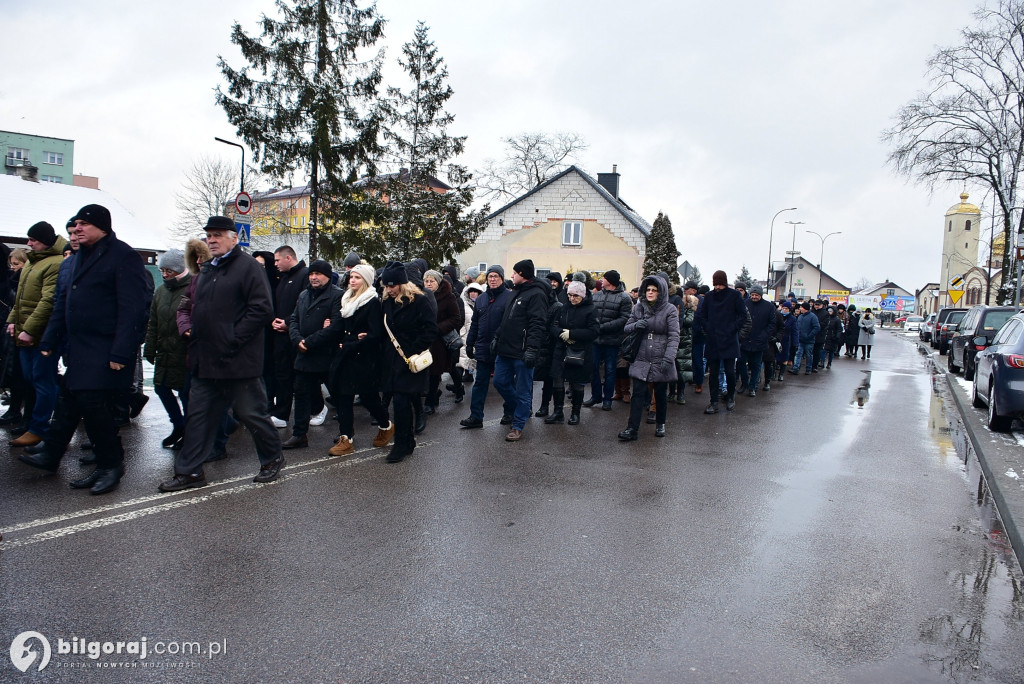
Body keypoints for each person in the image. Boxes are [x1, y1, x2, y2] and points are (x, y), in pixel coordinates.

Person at [20, 204, 152, 495]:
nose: (77, 228)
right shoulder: (80, 257)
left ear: (101, 226)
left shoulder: (124, 256)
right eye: (76, 224)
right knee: (70, 399)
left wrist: (121, 352)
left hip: (106, 348)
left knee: (92, 404)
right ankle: (54, 455)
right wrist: (49, 340)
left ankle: (111, 466)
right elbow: (63, 303)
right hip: (80, 347)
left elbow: (134, 309)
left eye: (83, 224)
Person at [158, 216, 284, 492]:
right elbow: (193, 307)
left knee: (252, 414)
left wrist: (231, 338)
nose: (212, 240)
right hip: (206, 361)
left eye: (218, 235)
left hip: (238, 361)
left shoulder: (248, 267)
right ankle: (190, 472)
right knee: (198, 416)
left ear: (234, 238)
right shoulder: (205, 270)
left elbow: (261, 309)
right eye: (209, 236)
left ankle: (272, 458)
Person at [7, 221, 68, 447]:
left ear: (45, 240)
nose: (29, 243)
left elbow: (48, 301)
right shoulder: (34, 261)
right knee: (32, 378)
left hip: (42, 335)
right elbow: (21, 299)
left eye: (33, 240)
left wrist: (30, 330)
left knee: (43, 381)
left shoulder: (54, 263)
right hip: (25, 333)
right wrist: (12, 322)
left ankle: (40, 428)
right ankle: (38, 424)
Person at [327, 263, 393, 456]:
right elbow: (342, 326)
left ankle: (386, 425)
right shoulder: (346, 299)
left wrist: (352, 343)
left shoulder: (372, 301)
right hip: (347, 356)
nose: (352, 280)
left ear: (365, 280)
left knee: (369, 397)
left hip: (365, 358)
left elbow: (373, 334)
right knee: (343, 396)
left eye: (357, 277)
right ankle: (346, 438)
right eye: (351, 277)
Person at [282, 260, 343, 449]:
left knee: (339, 394)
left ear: (327, 275)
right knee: (300, 394)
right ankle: (299, 434)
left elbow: (335, 326)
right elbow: (294, 320)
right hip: (304, 354)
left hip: (327, 354)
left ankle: (346, 432)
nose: (314, 277)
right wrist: (297, 339)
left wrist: (308, 342)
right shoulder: (303, 295)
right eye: (311, 274)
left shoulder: (337, 295)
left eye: (318, 274)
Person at [379, 261, 436, 463]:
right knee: (399, 401)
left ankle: (401, 445)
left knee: (402, 403)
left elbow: (430, 331)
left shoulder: (419, 302)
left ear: (402, 284)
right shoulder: (386, 302)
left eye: (392, 285)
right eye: (386, 286)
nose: (388, 289)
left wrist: (411, 351)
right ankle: (408, 441)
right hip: (391, 360)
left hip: (410, 360)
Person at [491, 259, 549, 441]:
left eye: (514, 273)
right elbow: (507, 319)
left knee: (524, 390)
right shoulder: (515, 292)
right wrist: (497, 336)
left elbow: (537, 324)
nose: (512, 276)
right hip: (505, 349)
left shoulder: (537, 294)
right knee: (500, 382)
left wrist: (532, 349)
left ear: (522, 274)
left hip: (523, 352)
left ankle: (517, 426)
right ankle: (521, 408)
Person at [618, 275, 679, 439]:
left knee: (660, 393)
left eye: (654, 290)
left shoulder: (670, 309)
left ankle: (661, 424)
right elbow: (627, 327)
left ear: (661, 292)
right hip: (642, 356)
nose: (650, 292)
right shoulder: (639, 308)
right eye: (648, 289)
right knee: (638, 393)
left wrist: (668, 358)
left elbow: (674, 336)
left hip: (661, 356)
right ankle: (632, 429)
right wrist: (637, 325)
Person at [144, 248, 191, 450]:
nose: (164, 275)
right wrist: (150, 347)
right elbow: (153, 321)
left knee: (185, 393)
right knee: (161, 388)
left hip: (184, 351)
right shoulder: (161, 291)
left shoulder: (192, 288)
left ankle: (190, 433)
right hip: (164, 350)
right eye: (162, 270)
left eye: (168, 271)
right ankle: (178, 424)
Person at [460, 266, 513, 429]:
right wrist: (470, 343)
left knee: (503, 382)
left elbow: (510, 323)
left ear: (502, 279)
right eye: (490, 276)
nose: (493, 279)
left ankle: (511, 411)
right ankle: (476, 416)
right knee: (480, 383)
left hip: (502, 348)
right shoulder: (482, 299)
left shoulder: (509, 297)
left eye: (496, 276)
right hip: (483, 348)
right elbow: (475, 323)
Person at [696, 270, 750, 414]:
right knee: (713, 373)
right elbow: (703, 315)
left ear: (725, 283)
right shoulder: (709, 296)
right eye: (716, 284)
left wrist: (732, 329)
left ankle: (730, 397)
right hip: (713, 339)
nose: (718, 287)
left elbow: (742, 315)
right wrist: (708, 328)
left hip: (729, 339)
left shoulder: (735, 295)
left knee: (730, 372)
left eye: (720, 284)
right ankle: (713, 401)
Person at [547, 280, 598, 425]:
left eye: (575, 295)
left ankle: (576, 413)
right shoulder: (563, 308)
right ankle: (558, 412)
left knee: (577, 383)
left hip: (580, 351)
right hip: (562, 349)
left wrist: (572, 334)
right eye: (569, 295)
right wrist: (561, 333)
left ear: (582, 295)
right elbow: (553, 326)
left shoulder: (591, 310)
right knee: (557, 379)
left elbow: (593, 331)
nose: (572, 298)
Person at [270, 245, 308, 427]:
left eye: (277, 260)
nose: (275, 264)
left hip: (296, 334)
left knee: (301, 378)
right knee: (282, 374)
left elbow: (304, 307)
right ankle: (282, 413)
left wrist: (287, 322)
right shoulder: (283, 279)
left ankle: (317, 408)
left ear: (288, 258)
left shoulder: (304, 275)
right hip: (280, 335)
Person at [585, 269, 631, 411]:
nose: (601, 280)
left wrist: (602, 327)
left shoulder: (624, 298)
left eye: (604, 278)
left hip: (612, 340)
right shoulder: (596, 295)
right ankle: (596, 396)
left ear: (610, 281)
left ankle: (607, 400)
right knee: (593, 369)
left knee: (610, 370)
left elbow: (624, 319)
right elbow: (590, 314)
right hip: (596, 340)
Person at [422, 269, 463, 416]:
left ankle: (430, 402)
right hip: (423, 340)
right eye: (426, 281)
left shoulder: (448, 297)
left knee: (436, 371)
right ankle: (433, 396)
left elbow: (456, 318)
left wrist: (437, 328)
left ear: (438, 282)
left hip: (440, 341)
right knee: (424, 370)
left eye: (431, 281)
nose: (428, 283)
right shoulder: (421, 296)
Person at [737, 284, 776, 397]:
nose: (754, 297)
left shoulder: (769, 307)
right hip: (745, 340)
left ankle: (752, 387)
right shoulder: (745, 304)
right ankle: (744, 384)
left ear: (761, 295)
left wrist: (765, 335)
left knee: (756, 365)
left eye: (756, 295)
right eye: (752, 294)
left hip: (760, 341)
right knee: (741, 363)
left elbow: (772, 324)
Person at [673, 294, 697, 403]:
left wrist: (679, 315)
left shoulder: (689, 311)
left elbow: (688, 322)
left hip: (684, 342)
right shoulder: (674, 308)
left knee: (681, 369)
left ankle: (681, 393)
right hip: (675, 340)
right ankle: (672, 392)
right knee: (672, 368)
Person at [791, 301, 820, 375]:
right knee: (798, 354)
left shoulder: (813, 317)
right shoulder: (800, 316)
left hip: (809, 341)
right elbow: (797, 327)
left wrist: (809, 336)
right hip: (800, 340)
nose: (800, 308)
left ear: (805, 308)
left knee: (808, 355)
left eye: (801, 307)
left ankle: (808, 369)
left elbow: (817, 327)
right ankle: (796, 368)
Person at [776, 301, 798, 380]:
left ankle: (781, 374)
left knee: (785, 357)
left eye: (786, 309)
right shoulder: (778, 315)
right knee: (775, 357)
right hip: (777, 339)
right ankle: (774, 373)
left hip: (786, 340)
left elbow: (795, 331)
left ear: (789, 309)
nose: (784, 310)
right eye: (783, 308)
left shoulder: (792, 318)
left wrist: (795, 342)